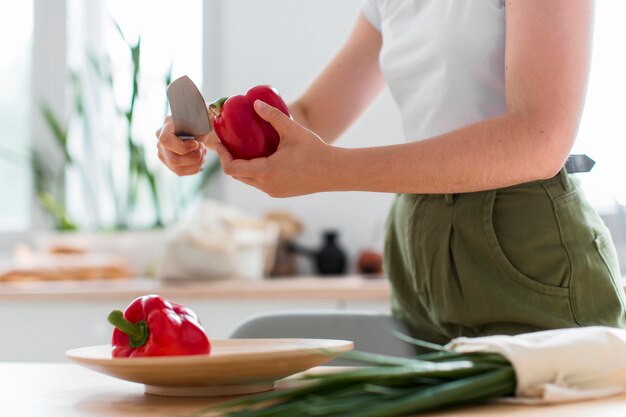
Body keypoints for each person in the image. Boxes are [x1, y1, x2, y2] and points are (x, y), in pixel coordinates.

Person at [156, 0, 626, 344]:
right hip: (419, 252)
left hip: (527, 251)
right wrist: (210, 129)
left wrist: (334, 170)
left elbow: (539, 138)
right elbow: (310, 116)